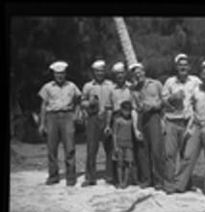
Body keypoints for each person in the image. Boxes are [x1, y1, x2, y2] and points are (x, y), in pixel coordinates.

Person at [167, 60, 205, 195]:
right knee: (188, 155)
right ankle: (180, 184)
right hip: (197, 126)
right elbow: (191, 106)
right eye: (204, 74)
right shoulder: (196, 89)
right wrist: (190, 124)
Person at [161, 53, 202, 193]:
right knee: (169, 154)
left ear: (189, 67)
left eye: (185, 65)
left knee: (188, 155)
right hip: (172, 121)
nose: (183, 67)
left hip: (189, 122)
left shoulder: (196, 81)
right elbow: (163, 101)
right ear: (176, 67)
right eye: (180, 65)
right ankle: (169, 184)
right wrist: (173, 97)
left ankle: (183, 183)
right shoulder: (169, 82)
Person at [37, 61, 81, 186]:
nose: (60, 76)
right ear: (53, 74)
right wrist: (42, 123)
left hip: (67, 116)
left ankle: (71, 177)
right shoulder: (47, 87)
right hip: (52, 117)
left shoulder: (72, 86)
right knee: (52, 148)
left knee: (70, 148)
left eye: (62, 73)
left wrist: (76, 115)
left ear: (65, 74)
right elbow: (43, 105)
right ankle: (53, 176)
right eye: (57, 74)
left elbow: (78, 101)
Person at [129, 62, 165, 189]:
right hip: (141, 118)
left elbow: (164, 101)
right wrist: (136, 128)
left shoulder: (156, 84)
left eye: (140, 72)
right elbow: (134, 108)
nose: (138, 75)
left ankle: (159, 180)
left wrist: (155, 106)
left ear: (144, 72)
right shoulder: (133, 90)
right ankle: (146, 179)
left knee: (156, 150)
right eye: (135, 74)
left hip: (155, 116)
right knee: (143, 150)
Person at [80, 59, 114, 187]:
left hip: (107, 117)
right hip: (92, 117)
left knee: (110, 148)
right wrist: (89, 103)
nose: (100, 73)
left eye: (102, 71)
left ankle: (110, 176)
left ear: (105, 71)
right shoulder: (88, 86)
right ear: (94, 72)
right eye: (97, 71)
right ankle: (90, 177)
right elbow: (82, 102)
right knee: (91, 148)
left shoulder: (110, 85)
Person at [112, 100, 137, 189]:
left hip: (129, 144)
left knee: (128, 163)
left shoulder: (132, 121)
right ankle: (120, 181)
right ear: (121, 110)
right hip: (119, 144)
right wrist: (115, 146)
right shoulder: (117, 120)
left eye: (128, 110)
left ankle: (125, 182)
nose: (126, 112)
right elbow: (114, 133)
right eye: (125, 110)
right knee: (119, 164)